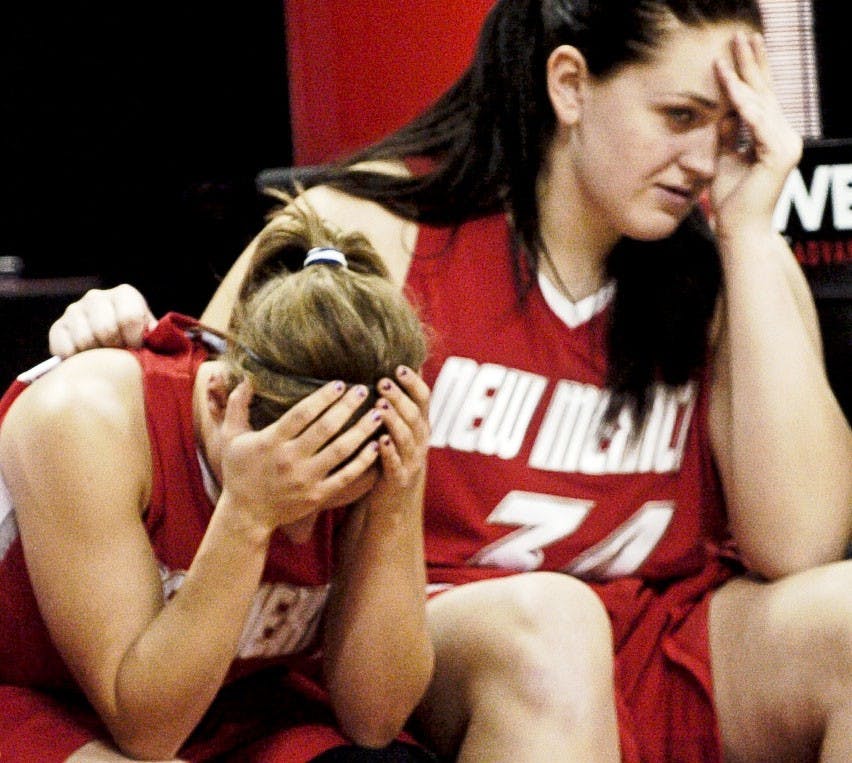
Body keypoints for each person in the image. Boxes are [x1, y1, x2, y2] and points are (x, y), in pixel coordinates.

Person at [46, 0, 852, 760]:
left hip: (653, 634)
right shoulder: (372, 232)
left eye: (730, 127)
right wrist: (117, 339)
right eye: (679, 116)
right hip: (427, 642)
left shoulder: (724, 268)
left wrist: (749, 233)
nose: (706, 159)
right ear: (570, 85)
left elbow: (803, 543)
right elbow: (215, 472)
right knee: (554, 626)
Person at [0, 203, 437, 762]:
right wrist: (250, 516)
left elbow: (374, 721)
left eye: (331, 501)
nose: (304, 534)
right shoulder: (87, 416)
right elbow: (146, 732)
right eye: (295, 493)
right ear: (219, 397)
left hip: (240, 704)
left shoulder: (373, 430)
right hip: (46, 702)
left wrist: (395, 504)